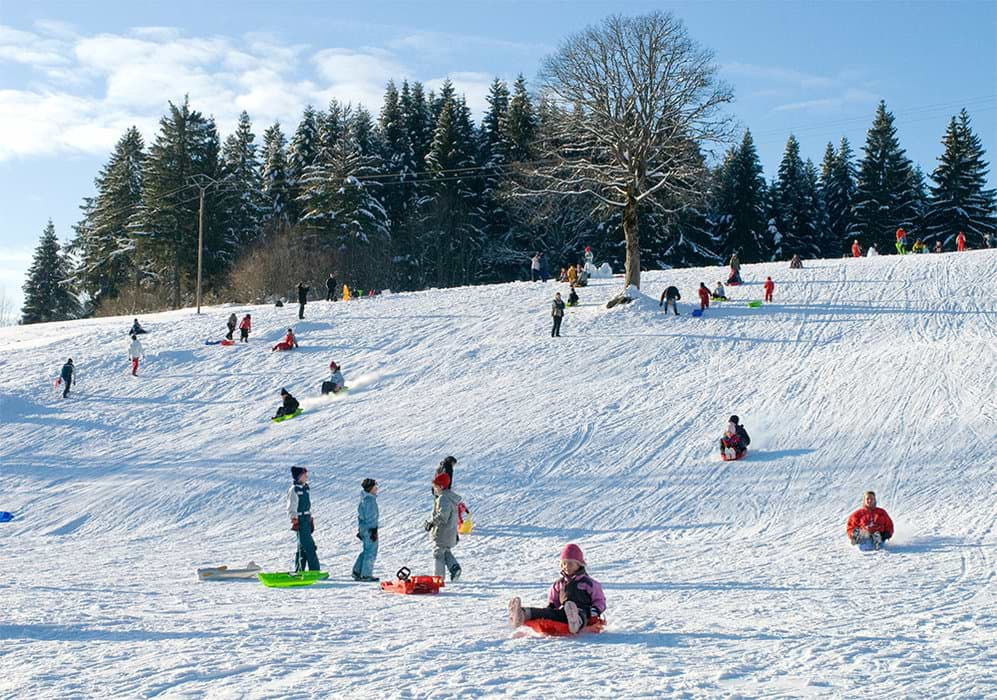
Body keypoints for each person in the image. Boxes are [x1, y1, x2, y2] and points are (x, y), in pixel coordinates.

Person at [508, 543, 607, 635]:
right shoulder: (559, 584)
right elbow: (553, 603)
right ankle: (523, 614)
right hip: (565, 612)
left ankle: (577, 622)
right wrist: (548, 611)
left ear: (579, 564)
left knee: (581, 613)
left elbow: (599, 601)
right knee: (548, 613)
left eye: (570, 564)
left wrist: (594, 613)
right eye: (564, 563)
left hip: (584, 612)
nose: (566, 567)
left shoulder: (589, 583)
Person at [425, 472, 461, 581]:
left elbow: (443, 516)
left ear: (441, 487)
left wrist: (431, 522)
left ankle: (438, 578)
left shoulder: (443, 498)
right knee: (445, 551)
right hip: (450, 533)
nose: (434, 489)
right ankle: (454, 567)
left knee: (438, 553)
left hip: (443, 532)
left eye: (435, 487)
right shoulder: (450, 498)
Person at [287, 467, 320, 572]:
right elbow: (291, 505)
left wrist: (310, 518)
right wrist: (294, 518)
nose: (306, 476)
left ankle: (299, 570)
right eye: (304, 474)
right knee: (310, 546)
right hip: (300, 520)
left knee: (302, 547)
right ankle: (314, 571)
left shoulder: (305, 488)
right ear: (299, 476)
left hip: (306, 519)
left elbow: (307, 504)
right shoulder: (294, 490)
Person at [352, 478, 379, 581]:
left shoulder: (365, 499)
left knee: (366, 550)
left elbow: (361, 516)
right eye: (375, 486)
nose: (377, 488)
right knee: (371, 551)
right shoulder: (370, 501)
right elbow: (371, 517)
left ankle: (357, 571)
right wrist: (373, 530)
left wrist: (361, 530)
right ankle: (366, 574)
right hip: (369, 529)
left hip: (365, 529)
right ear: (370, 488)